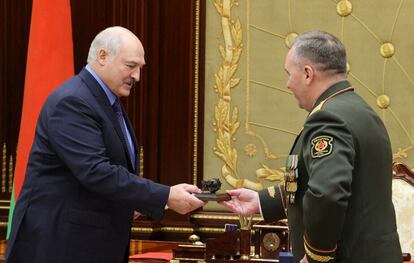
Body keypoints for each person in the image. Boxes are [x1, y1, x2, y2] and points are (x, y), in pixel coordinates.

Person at [6, 26, 206, 263]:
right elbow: (95, 171)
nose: (137, 77)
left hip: (90, 244)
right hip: (61, 246)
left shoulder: (105, 101)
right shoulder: (73, 101)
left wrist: (139, 200)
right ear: (102, 57)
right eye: (131, 66)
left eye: (140, 68)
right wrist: (165, 196)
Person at [220, 31, 402, 263]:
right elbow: (345, 186)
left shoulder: (328, 118)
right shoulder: (362, 111)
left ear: (307, 73)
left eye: (289, 74)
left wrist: (317, 256)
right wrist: (261, 202)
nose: (287, 84)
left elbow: (327, 193)